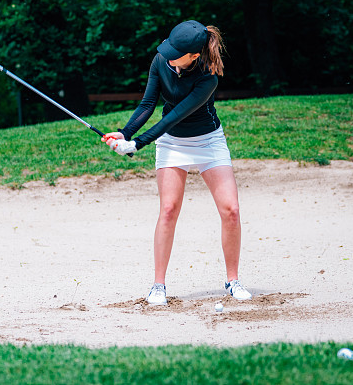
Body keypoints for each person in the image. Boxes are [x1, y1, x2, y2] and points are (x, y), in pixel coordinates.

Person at [102, 20, 252, 306]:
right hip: (172, 143)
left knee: (231, 210)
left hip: (208, 142)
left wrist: (137, 144)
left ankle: (232, 281)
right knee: (168, 210)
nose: (168, 54)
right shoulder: (161, 60)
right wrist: (126, 133)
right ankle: (158, 286)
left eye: (176, 52)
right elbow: (148, 104)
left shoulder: (207, 78)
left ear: (194, 55)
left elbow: (174, 116)